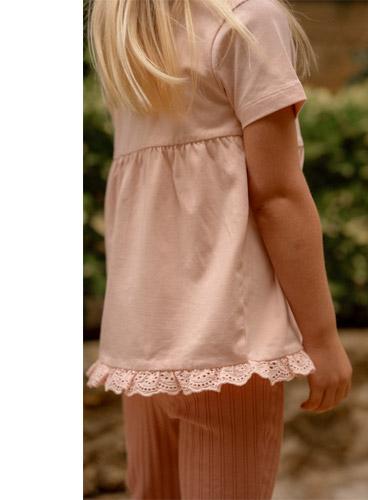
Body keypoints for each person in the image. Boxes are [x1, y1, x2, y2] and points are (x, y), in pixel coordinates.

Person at [85, 0, 352, 498]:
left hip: (145, 346)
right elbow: (277, 197)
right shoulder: (246, 20)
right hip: (228, 348)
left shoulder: (130, 30)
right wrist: (322, 339)